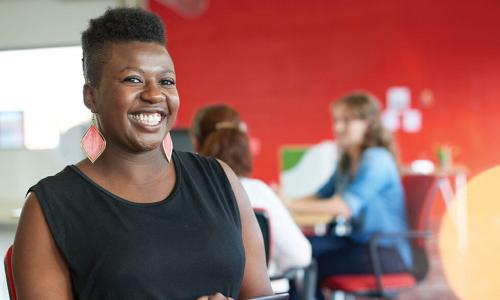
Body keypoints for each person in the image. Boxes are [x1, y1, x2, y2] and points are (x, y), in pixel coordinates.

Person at [12, 7, 272, 300]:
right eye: (133, 80)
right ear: (91, 96)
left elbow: (260, 295)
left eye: (166, 81)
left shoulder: (220, 180)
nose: (154, 94)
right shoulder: (50, 208)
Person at [286, 92, 412, 296]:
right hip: (359, 242)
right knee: (295, 249)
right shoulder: (347, 159)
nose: (337, 128)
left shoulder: (376, 159)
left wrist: (290, 204)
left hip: (384, 251)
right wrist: (281, 201)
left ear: (367, 122)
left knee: (311, 264)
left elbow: (344, 207)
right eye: (336, 121)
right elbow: (321, 196)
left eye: (346, 121)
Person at [191, 105, 312, 291]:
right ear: (243, 142)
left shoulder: (188, 194)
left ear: (196, 143)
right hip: (266, 293)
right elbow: (300, 255)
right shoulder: (259, 192)